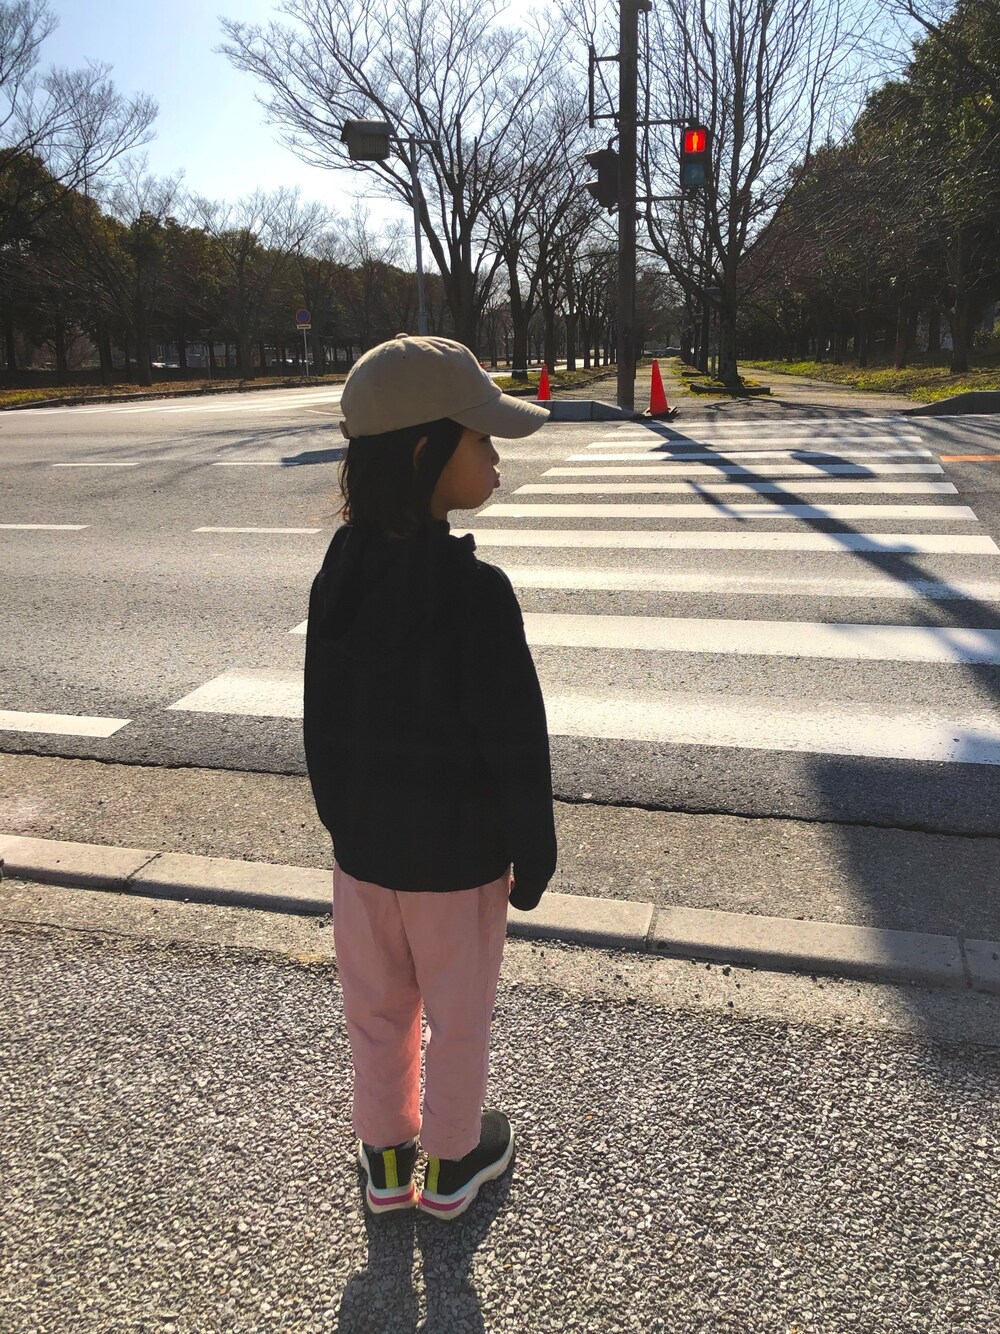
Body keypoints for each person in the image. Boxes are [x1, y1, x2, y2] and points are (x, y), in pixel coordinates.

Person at [303, 334, 557, 1221]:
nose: (495, 458)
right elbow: (516, 741)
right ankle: (451, 1164)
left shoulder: (337, 577)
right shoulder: (475, 594)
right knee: (459, 1014)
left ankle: (385, 1157)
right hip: (459, 863)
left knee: (376, 1011)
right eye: (480, 440)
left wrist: (345, 828)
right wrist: (533, 851)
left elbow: (321, 722)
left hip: (365, 860)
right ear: (424, 454)